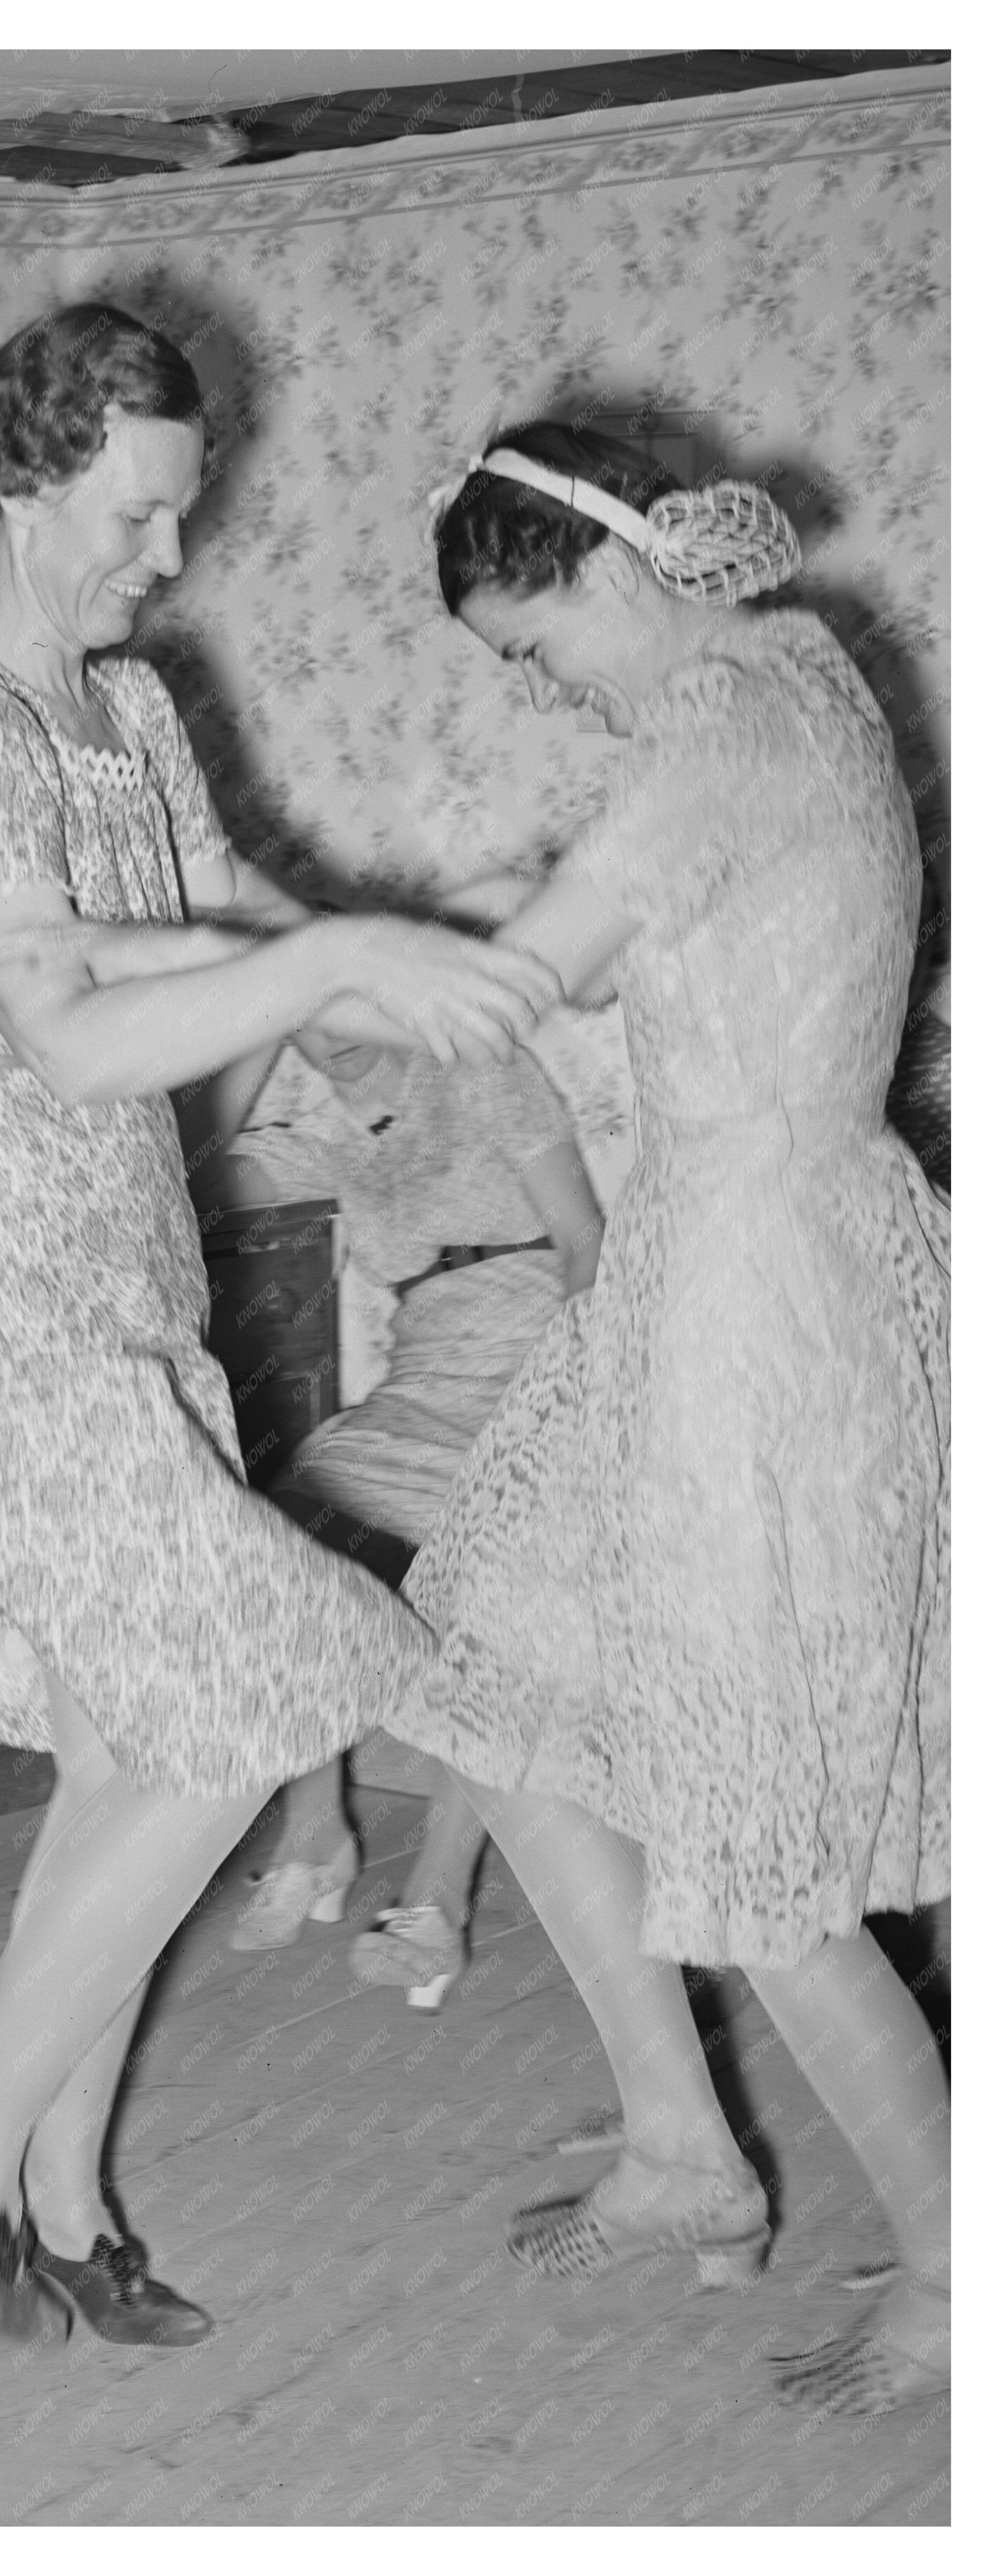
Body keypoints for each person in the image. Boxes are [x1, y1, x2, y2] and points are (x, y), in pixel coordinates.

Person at [0, 307, 561, 2349]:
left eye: (181, 516)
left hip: (128, 1278)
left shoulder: (126, 709)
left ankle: (57, 2183)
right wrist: (350, 958)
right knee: (251, 1697)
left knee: (145, 1746)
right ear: (29, 485)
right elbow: (64, 1017)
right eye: (136, 513)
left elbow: (224, 936)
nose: (161, 556)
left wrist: (477, 968)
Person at [382, 425, 949, 2414]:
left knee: (750, 1826)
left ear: (611, 574)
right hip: (725, 1257)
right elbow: (679, 920)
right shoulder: (797, 681)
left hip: (753, 1298)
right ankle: (683, 2148)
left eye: (526, 643)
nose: (540, 687)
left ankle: (958, 2274)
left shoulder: (722, 721)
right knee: (484, 1676)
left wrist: (290, 954)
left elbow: (522, 980)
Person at [205, 1031, 603, 1979]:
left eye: (351, 1006)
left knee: (496, 1589)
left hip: (533, 1371)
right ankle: (314, 1831)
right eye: (310, 1014)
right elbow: (185, 1171)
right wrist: (257, 1026)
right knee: (284, 1541)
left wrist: (586, 1402)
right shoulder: (334, 1137)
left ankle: (439, 1893)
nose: (330, 1036)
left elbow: (586, 1239)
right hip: (416, 1393)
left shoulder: (484, 1074)